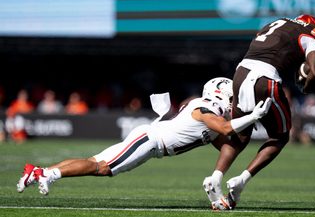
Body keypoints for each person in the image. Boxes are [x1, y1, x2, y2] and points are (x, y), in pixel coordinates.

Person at [16, 77, 272, 196]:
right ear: (219, 93)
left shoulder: (209, 112)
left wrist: (245, 132)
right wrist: (253, 116)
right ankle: (48, 175)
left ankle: (37, 171)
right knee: (101, 167)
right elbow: (226, 130)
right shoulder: (204, 108)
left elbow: (226, 143)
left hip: (152, 143)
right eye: (230, 97)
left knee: (96, 162)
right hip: (150, 141)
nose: (232, 103)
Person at [202, 14, 315, 210]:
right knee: (280, 137)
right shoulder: (312, 32)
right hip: (265, 78)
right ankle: (241, 181)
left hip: (241, 73)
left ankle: (215, 176)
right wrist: (308, 85)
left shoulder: (277, 23)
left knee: (241, 135)